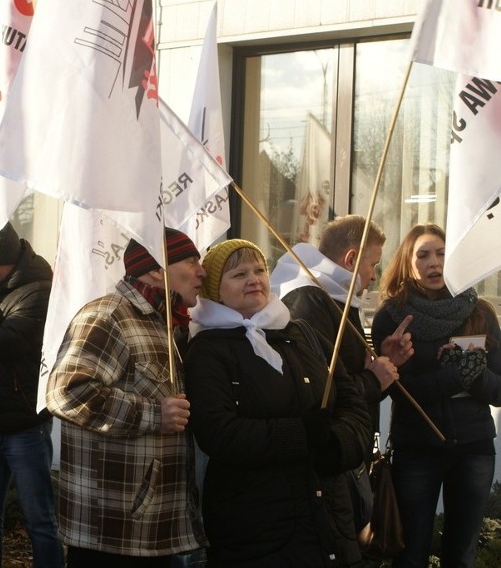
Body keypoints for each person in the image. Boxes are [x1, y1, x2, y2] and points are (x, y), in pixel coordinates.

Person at [184, 239, 370, 567]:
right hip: (256, 531)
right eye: (239, 274)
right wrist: (301, 435)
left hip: (330, 521)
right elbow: (219, 432)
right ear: (216, 289)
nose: (254, 279)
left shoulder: (303, 334)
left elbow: (352, 403)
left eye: (259, 270)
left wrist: (337, 445)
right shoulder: (207, 350)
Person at [46, 228, 209, 567]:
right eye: (191, 261)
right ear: (154, 270)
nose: (202, 272)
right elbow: (65, 393)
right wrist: (154, 415)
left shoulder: (168, 324)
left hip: (153, 530)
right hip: (112, 533)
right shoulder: (108, 316)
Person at [371, 223, 501, 568]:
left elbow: (499, 390)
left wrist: (477, 376)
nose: (434, 262)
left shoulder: (481, 313)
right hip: (417, 450)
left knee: (461, 555)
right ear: (408, 263)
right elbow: (399, 391)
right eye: (423, 255)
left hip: (474, 448)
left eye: (442, 253)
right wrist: (454, 375)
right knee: (411, 553)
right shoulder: (392, 316)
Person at [269, 215, 408, 539]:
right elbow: (319, 390)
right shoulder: (309, 299)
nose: (373, 276)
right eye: (372, 264)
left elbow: (349, 375)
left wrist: (383, 364)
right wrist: (372, 379)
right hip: (326, 460)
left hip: (343, 454)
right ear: (350, 259)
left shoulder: (334, 296)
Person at [0, 222, 63, 567]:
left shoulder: (38, 291)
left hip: (24, 424)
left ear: (1, 263)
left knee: (40, 519)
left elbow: (4, 342)